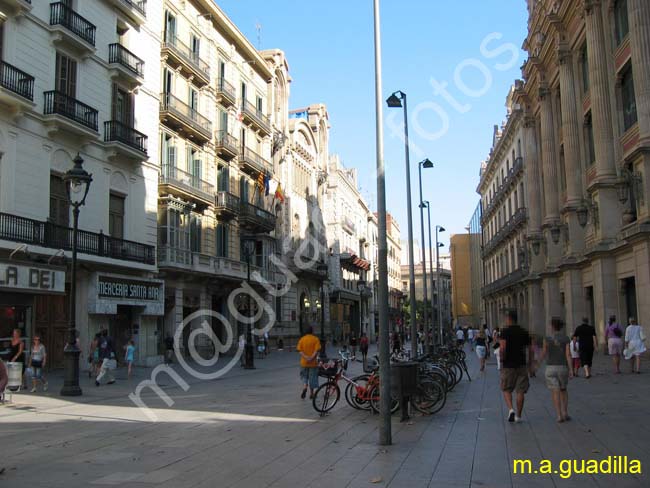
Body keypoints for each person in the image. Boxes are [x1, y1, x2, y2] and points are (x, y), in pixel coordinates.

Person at [499, 310, 533, 423]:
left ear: (509, 319)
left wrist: (502, 359)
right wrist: (531, 363)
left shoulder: (505, 332)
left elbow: (502, 348)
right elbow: (531, 349)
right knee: (520, 391)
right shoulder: (523, 332)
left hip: (508, 365)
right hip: (521, 364)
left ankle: (511, 410)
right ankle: (518, 415)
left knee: (506, 389)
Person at [538, 318, 573, 423]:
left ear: (552, 326)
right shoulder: (566, 338)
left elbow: (543, 353)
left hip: (550, 368)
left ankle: (558, 415)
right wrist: (571, 369)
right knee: (563, 390)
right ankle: (565, 412)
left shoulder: (547, 338)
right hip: (562, 367)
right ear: (561, 326)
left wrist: (537, 363)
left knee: (555, 391)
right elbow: (568, 355)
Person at [297, 326, 321, 400]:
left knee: (304, 376)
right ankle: (312, 394)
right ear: (312, 331)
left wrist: (306, 357)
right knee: (312, 378)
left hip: (304, 362)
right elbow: (317, 350)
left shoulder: (302, 339)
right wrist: (311, 357)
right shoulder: (315, 339)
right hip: (313, 363)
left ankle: (305, 387)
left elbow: (299, 351)